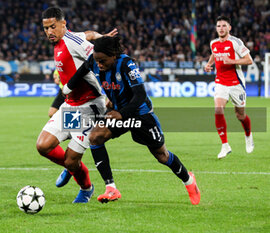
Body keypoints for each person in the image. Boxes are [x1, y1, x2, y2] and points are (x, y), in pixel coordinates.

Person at [62, 36, 200, 205]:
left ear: (113, 55)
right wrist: (68, 87)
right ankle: (111, 188)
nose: (99, 64)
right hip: (118, 113)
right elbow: (83, 69)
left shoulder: (126, 64)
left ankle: (189, 181)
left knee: (162, 156)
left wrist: (122, 113)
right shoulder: (94, 61)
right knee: (95, 137)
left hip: (141, 115)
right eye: (97, 61)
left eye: (103, 61)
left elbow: (140, 95)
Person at [36, 7, 117, 203]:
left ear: (64, 24)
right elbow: (88, 34)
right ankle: (72, 168)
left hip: (90, 106)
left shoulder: (73, 42)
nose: (49, 32)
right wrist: (100, 36)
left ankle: (86, 188)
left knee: (72, 159)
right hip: (71, 105)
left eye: (53, 27)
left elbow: (100, 59)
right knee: (43, 146)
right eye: (46, 28)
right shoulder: (64, 40)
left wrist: (109, 93)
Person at [204, 16, 254, 159]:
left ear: (229, 28)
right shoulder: (213, 43)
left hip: (236, 84)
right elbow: (214, 54)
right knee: (218, 110)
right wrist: (209, 64)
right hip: (221, 82)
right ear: (216, 28)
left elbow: (249, 60)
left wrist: (232, 60)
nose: (221, 28)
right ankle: (225, 145)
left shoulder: (235, 42)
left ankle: (248, 135)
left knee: (240, 115)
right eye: (219, 26)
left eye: (224, 26)